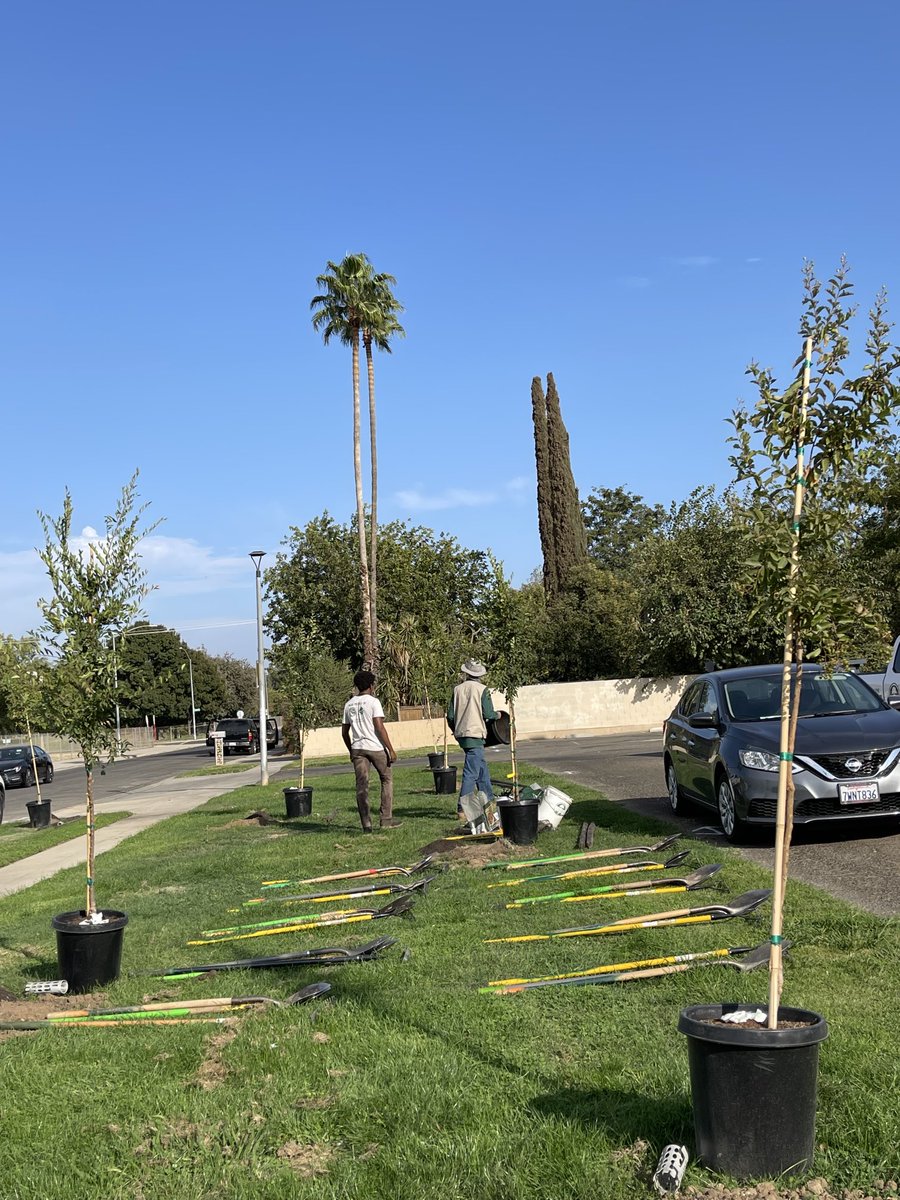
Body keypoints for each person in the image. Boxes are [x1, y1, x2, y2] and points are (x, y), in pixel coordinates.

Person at [342, 670, 400, 832]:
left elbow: (344, 732)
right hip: (375, 747)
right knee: (386, 779)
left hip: (357, 749)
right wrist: (391, 749)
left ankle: (366, 824)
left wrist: (351, 750)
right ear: (371, 686)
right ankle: (386, 819)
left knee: (362, 786)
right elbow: (379, 727)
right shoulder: (373, 702)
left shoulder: (349, 704)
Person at [446, 659, 497, 818]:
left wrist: (456, 730)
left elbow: (450, 716)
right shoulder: (482, 690)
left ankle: (489, 802)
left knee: (482, 770)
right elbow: (489, 714)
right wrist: (498, 715)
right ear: (480, 675)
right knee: (471, 773)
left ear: (466, 673)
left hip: (462, 734)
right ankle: (462, 808)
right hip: (475, 734)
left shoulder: (457, 689)